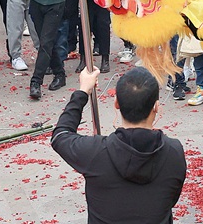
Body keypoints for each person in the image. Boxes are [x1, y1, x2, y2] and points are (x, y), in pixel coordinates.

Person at [51, 66, 186, 223]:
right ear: (156, 106)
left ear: (116, 103)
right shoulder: (174, 152)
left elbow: (60, 136)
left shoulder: (95, 152)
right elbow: (171, 199)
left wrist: (82, 92)